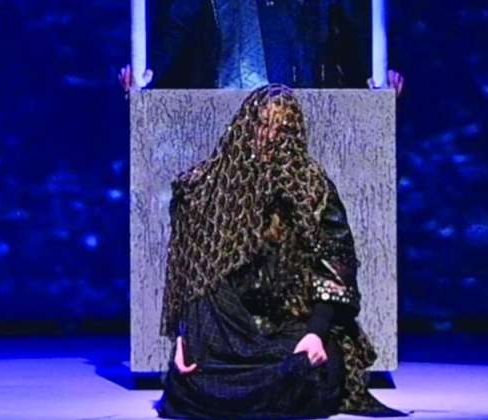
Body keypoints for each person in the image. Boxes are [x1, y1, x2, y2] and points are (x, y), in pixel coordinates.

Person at [154, 83, 406, 418]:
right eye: (263, 124)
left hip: (285, 324)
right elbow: (193, 274)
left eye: (282, 129)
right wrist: (185, 336)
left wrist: (315, 334)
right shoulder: (207, 186)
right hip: (225, 332)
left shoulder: (312, 188)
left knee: (308, 371)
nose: (271, 136)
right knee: (195, 383)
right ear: (247, 125)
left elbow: (335, 264)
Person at [119, 0, 404, 93]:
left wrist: (376, 79)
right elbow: (176, 28)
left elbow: (352, 26)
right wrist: (147, 76)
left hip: (299, 107)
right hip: (223, 110)